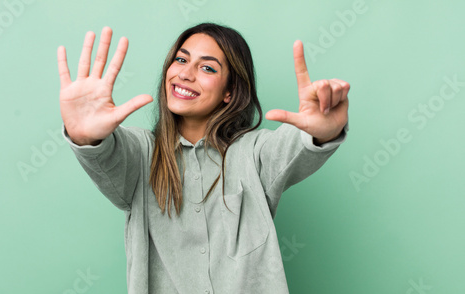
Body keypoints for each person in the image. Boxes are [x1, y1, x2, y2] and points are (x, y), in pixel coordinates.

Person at [57, 23, 349, 294]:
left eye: (207, 68)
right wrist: (86, 135)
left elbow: (294, 146)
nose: (185, 73)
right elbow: (107, 155)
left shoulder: (253, 151)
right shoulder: (141, 153)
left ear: (230, 91)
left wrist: (323, 130)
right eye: (181, 60)